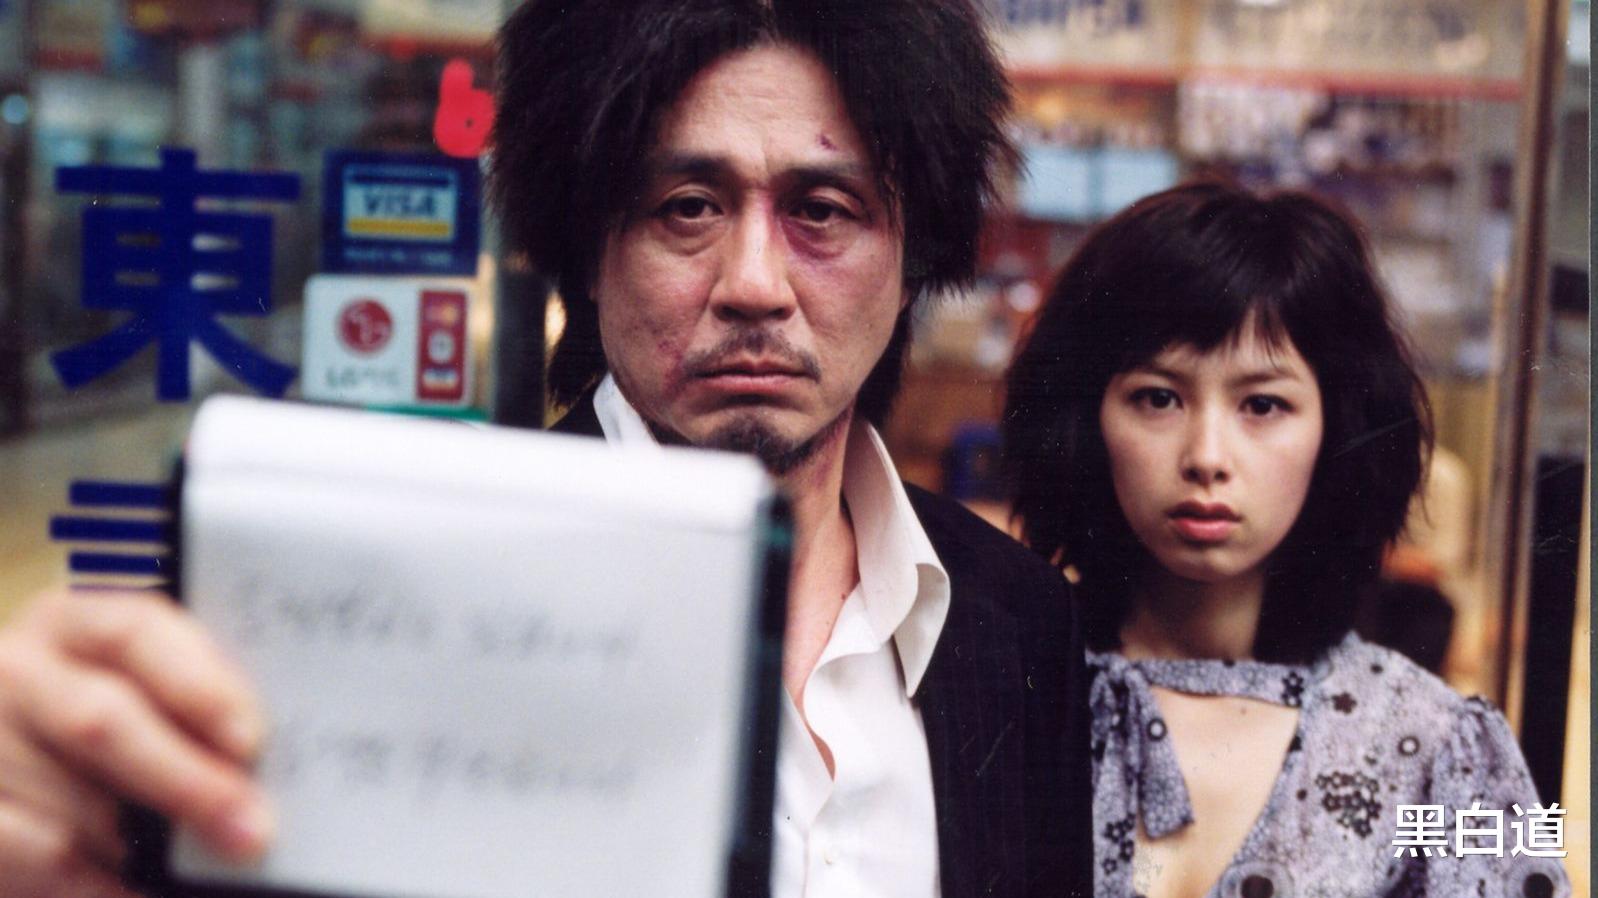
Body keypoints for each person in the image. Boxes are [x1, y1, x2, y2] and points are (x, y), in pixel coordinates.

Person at [0, 2, 1094, 896]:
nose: (754, 284)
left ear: (913, 255)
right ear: (585, 248)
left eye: (823, 208)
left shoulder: (1021, 620)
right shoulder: (363, 606)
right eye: (687, 206)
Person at [1002, 181, 1569, 898]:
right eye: (1158, 397)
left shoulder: (1444, 749)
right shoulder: (995, 692)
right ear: (1085, 418)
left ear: (1339, 427)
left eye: (1263, 405)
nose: (1207, 456)